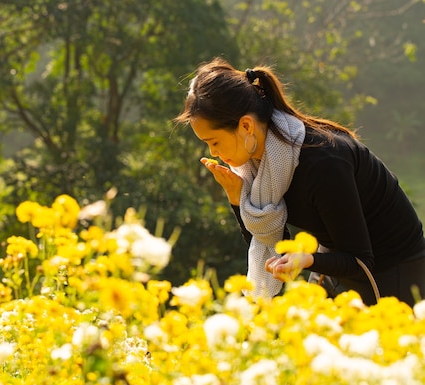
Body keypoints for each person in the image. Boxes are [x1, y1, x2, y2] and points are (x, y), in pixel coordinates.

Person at [173, 56, 425, 306]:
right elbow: (273, 245)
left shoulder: (322, 163)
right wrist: (238, 200)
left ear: (246, 126)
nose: (213, 153)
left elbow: (360, 261)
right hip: (334, 261)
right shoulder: (260, 164)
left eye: (213, 142)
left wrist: (307, 259)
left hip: (392, 272)